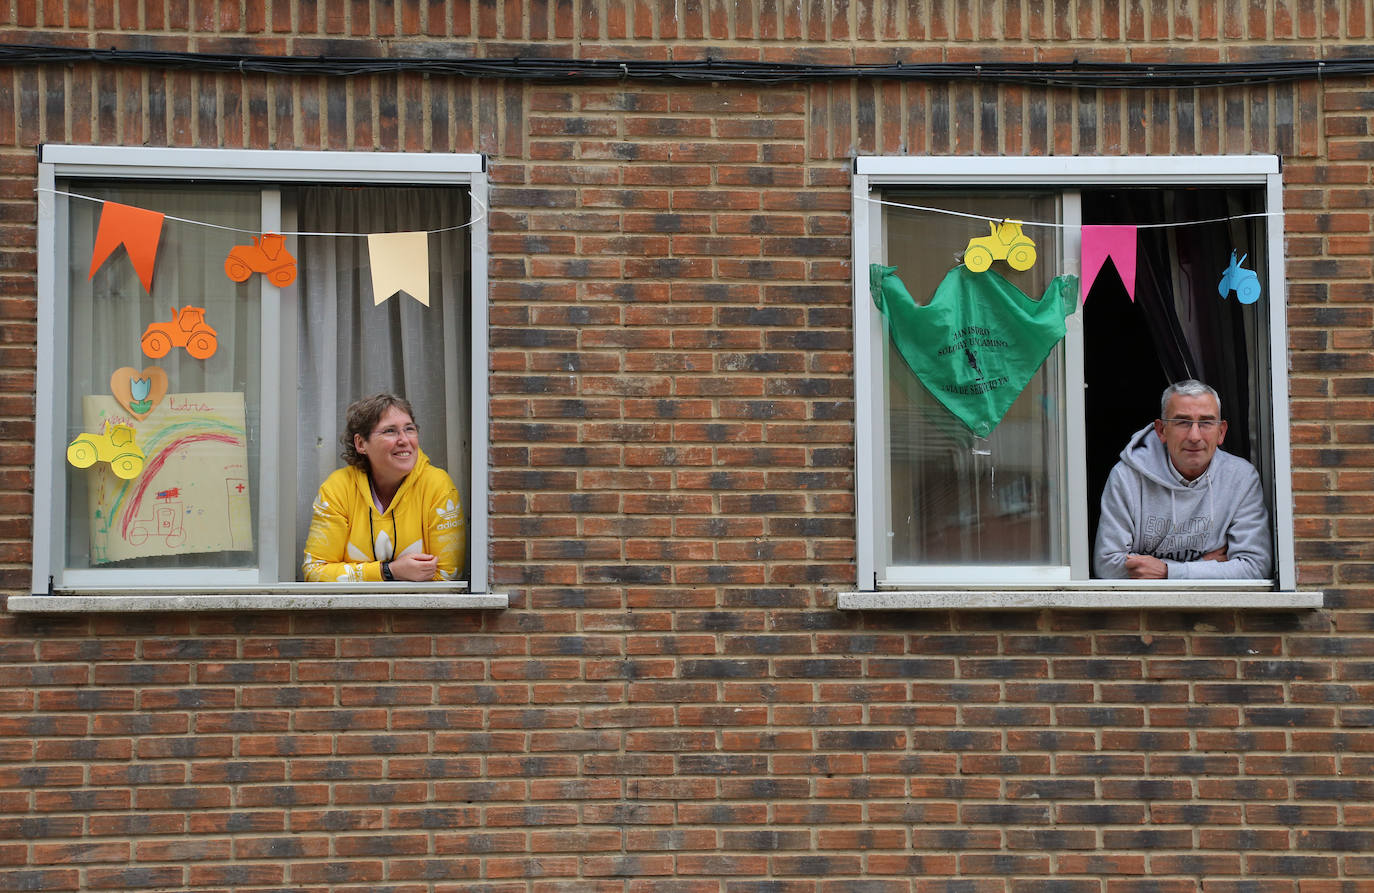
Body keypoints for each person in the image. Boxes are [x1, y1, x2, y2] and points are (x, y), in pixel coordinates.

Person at [1094, 379, 1271, 580]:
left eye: (1205, 422)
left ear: (1221, 432)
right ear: (1161, 431)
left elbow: (1256, 567)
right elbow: (1107, 565)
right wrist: (1203, 566)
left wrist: (1168, 572)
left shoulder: (1241, 478)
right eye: (1182, 422)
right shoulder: (1127, 477)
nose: (1194, 436)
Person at [303, 394, 465, 582]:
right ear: (361, 444)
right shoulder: (338, 488)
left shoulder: (438, 486)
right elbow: (315, 572)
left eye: (409, 429)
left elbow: (448, 576)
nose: (404, 439)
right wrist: (389, 571)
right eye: (390, 431)